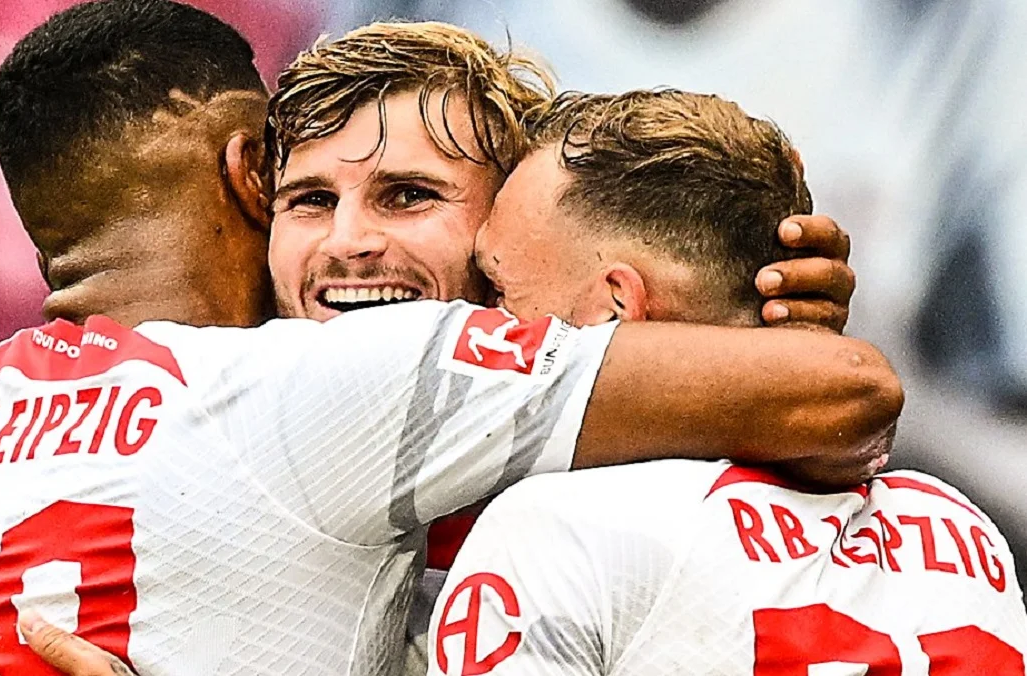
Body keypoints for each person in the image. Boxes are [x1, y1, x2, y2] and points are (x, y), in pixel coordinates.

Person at [0, 8, 899, 676]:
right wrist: (765, 342)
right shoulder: (299, 399)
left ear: (511, 234)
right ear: (255, 200)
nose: (348, 242)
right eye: (308, 200)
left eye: (408, 196)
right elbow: (839, 395)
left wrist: (740, 328)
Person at [426, 91, 1027, 674]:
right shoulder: (960, 534)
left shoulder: (544, 532)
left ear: (616, 308)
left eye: (498, 290)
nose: (477, 317)